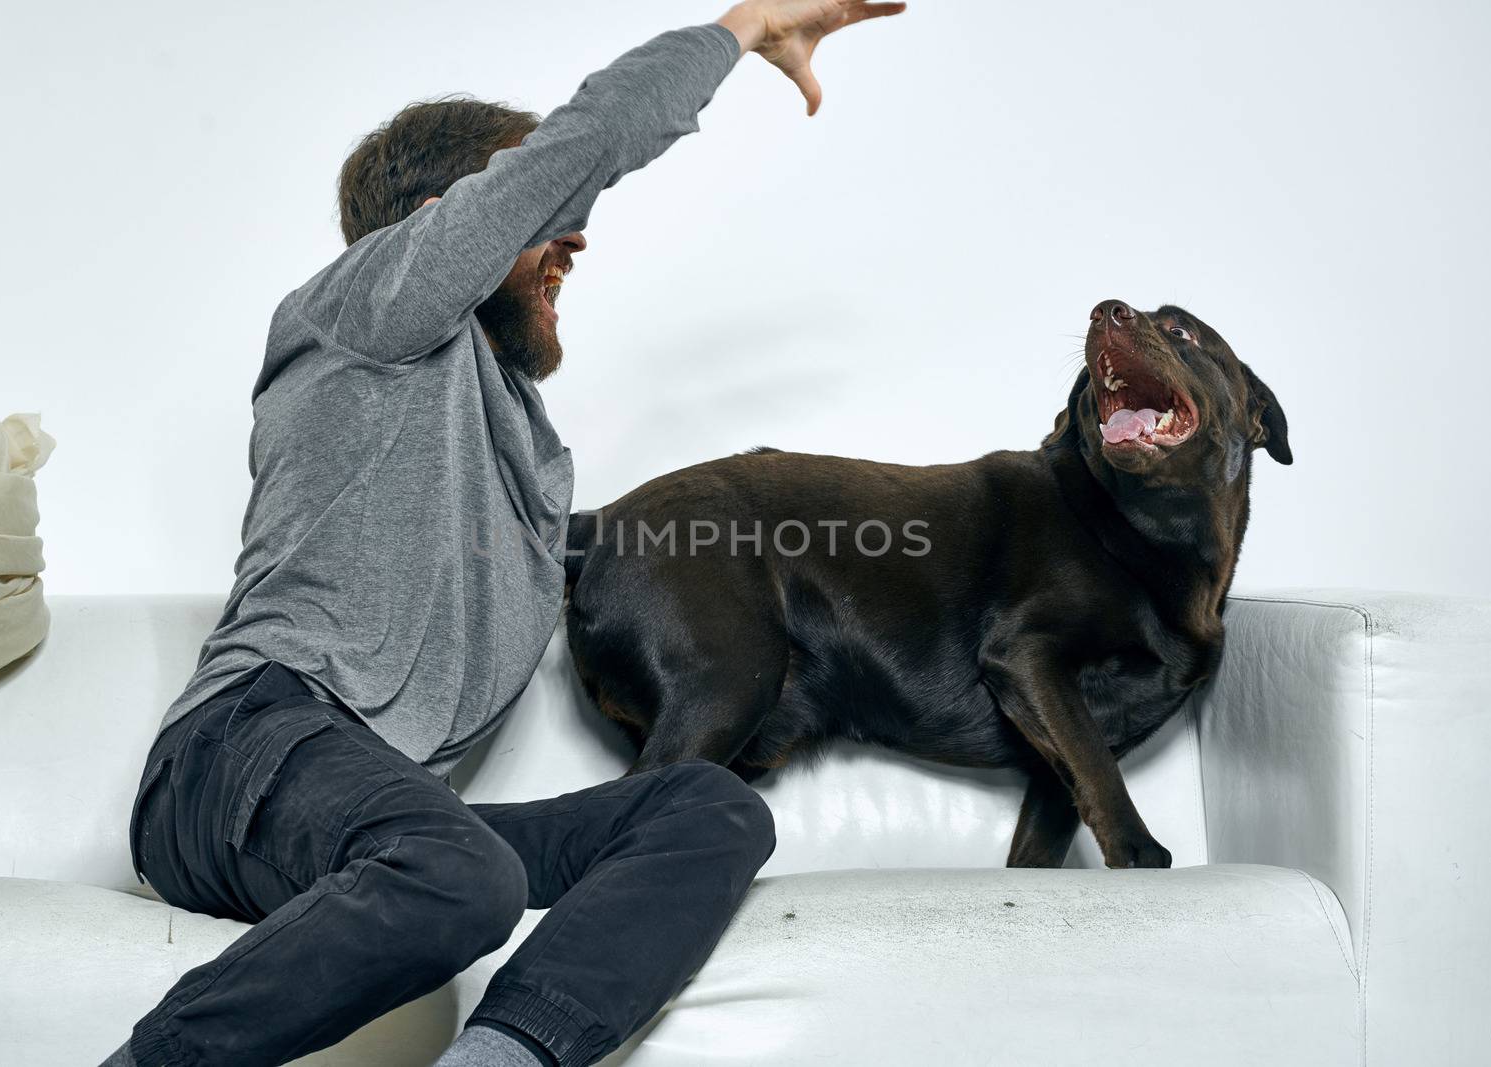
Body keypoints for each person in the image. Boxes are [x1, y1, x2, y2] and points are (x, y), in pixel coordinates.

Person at [107, 2, 905, 1065]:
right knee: (457, 871)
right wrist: (741, 30)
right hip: (236, 757)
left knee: (707, 808)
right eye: (544, 210)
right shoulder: (365, 311)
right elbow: (584, 142)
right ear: (451, 222)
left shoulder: (510, 448)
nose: (573, 235)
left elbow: (623, 556)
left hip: (373, 823)